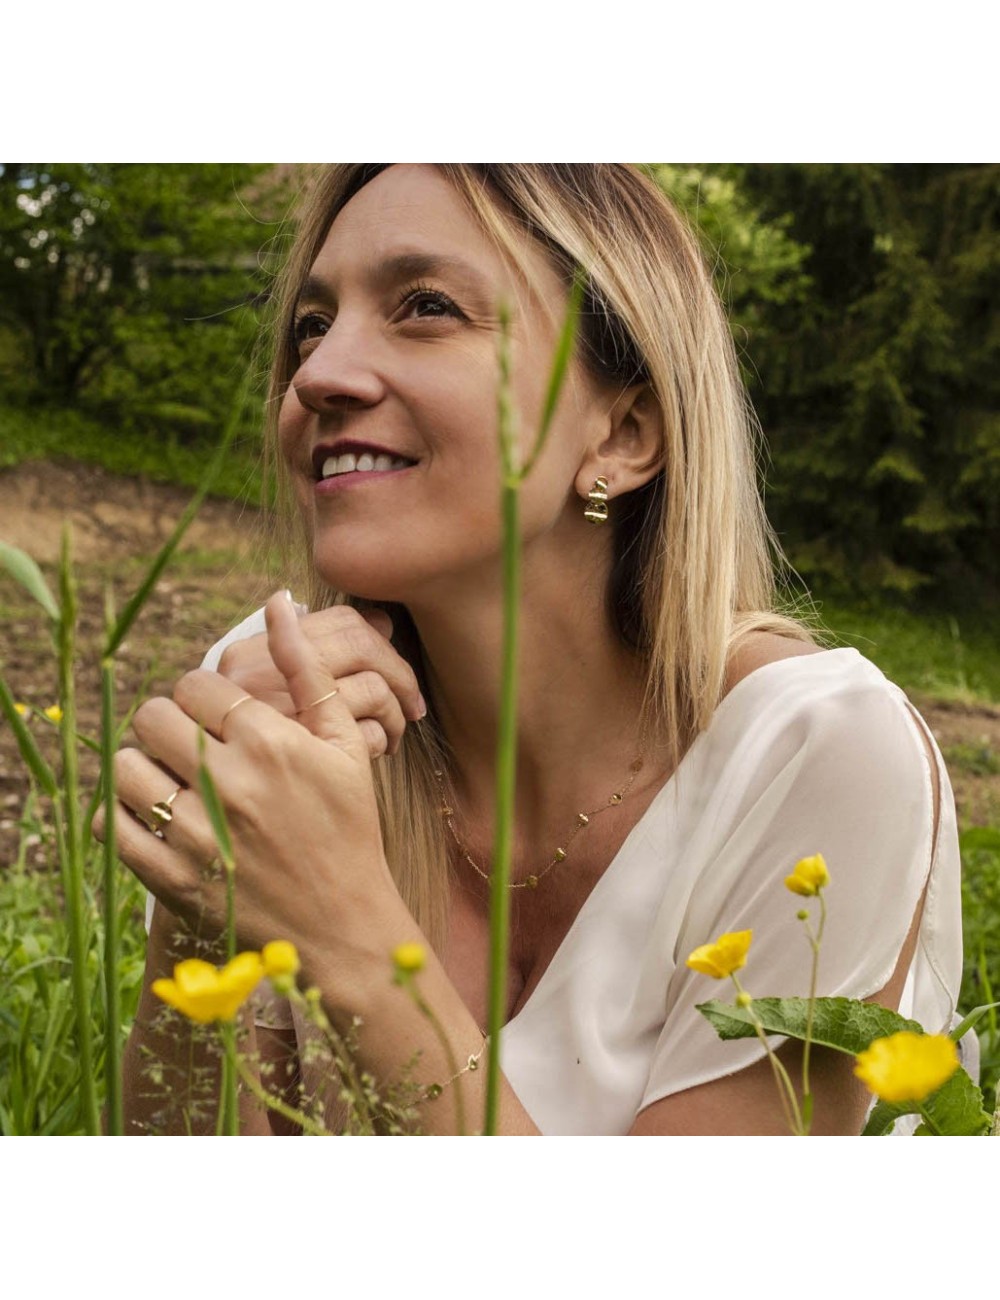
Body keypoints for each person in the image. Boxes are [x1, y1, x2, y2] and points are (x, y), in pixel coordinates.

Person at [107, 164, 963, 1135]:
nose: (316, 375)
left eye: (425, 306)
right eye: (312, 323)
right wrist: (202, 904)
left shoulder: (816, 755)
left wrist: (346, 938)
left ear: (624, 433)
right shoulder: (279, 702)